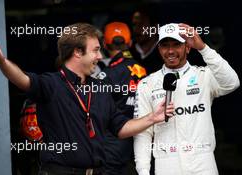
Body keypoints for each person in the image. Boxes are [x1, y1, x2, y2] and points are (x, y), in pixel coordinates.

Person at [0, 23, 174, 175]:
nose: (100, 56)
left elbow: (121, 128)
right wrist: (0, 59)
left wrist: (152, 117)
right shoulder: (51, 84)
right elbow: (22, 79)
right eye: (95, 50)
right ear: (77, 52)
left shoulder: (100, 87)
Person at [133, 23, 240, 175]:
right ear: (159, 49)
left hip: (203, 162)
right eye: (165, 45)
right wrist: (143, 171)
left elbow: (232, 83)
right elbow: (143, 132)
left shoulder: (204, 75)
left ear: (188, 47)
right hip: (166, 164)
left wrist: (203, 48)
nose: (170, 51)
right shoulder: (146, 84)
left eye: (177, 44)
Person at [98, 22, 146, 175]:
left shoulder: (106, 75)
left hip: (112, 145)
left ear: (104, 44)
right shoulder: (143, 70)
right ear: (130, 43)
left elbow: (98, 111)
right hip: (140, 141)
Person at [130, 6, 163, 75]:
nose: (136, 29)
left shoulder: (166, 53)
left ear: (155, 29)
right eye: (134, 24)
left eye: (141, 25)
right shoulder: (127, 54)